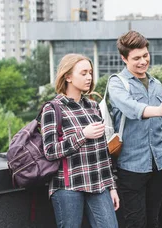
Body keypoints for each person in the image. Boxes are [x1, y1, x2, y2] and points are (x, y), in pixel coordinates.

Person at [108, 31, 162, 228]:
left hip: (159, 165)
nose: (143, 61)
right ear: (124, 58)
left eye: (145, 56)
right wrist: (158, 110)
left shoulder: (157, 85)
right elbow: (131, 108)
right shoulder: (117, 83)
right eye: (136, 58)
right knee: (135, 222)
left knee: (154, 220)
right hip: (131, 167)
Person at [42, 53, 119, 228]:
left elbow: (103, 152)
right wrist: (83, 134)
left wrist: (111, 186)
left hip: (97, 184)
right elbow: (50, 151)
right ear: (67, 76)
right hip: (67, 186)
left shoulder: (93, 106)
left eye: (90, 72)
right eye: (83, 73)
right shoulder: (53, 108)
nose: (89, 77)